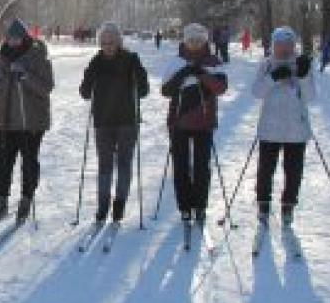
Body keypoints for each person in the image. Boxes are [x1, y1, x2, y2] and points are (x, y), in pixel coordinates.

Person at [0, 17, 55, 223]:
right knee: (2, 162)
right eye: (9, 38)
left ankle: (26, 198)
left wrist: (26, 76)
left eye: (16, 38)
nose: (12, 42)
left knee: (29, 161)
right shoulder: (1, 58)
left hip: (30, 121)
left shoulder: (39, 57)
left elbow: (47, 88)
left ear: (25, 37)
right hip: (4, 120)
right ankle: (1, 200)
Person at [79, 22, 149, 223]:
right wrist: (89, 77)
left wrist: (139, 77)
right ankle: (103, 206)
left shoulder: (131, 59)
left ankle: (119, 205)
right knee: (105, 166)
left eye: (112, 42)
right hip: (103, 121)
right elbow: (84, 93)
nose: (108, 46)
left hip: (127, 121)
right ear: (100, 43)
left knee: (124, 165)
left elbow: (144, 91)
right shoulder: (96, 62)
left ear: (119, 41)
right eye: (104, 42)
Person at [160, 22, 227, 225]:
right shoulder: (176, 62)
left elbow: (221, 87)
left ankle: (200, 206)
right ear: (185, 41)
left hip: (204, 122)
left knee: (201, 167)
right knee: (180, 166)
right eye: (191, 40)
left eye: (199, 40)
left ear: (205, 41)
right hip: (178, 122)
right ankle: (184, 207)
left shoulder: (213, 61)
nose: (195, 44)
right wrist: (182, 74)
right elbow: (165, 91)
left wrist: (201, 74)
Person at [252, 26, 316, 225]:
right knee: (265, 170)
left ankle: (288, 206)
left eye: (288, 45)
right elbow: (256, 92)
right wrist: (273, 78)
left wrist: (304, 76)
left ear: (293, 45)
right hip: (270, 128)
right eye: (280, 45)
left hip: (296, 129)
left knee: (294, 171)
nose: (284, 49)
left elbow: (310, 96)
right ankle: (263, 204)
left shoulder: (301, 64)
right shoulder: (266, 64)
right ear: (273, 45)